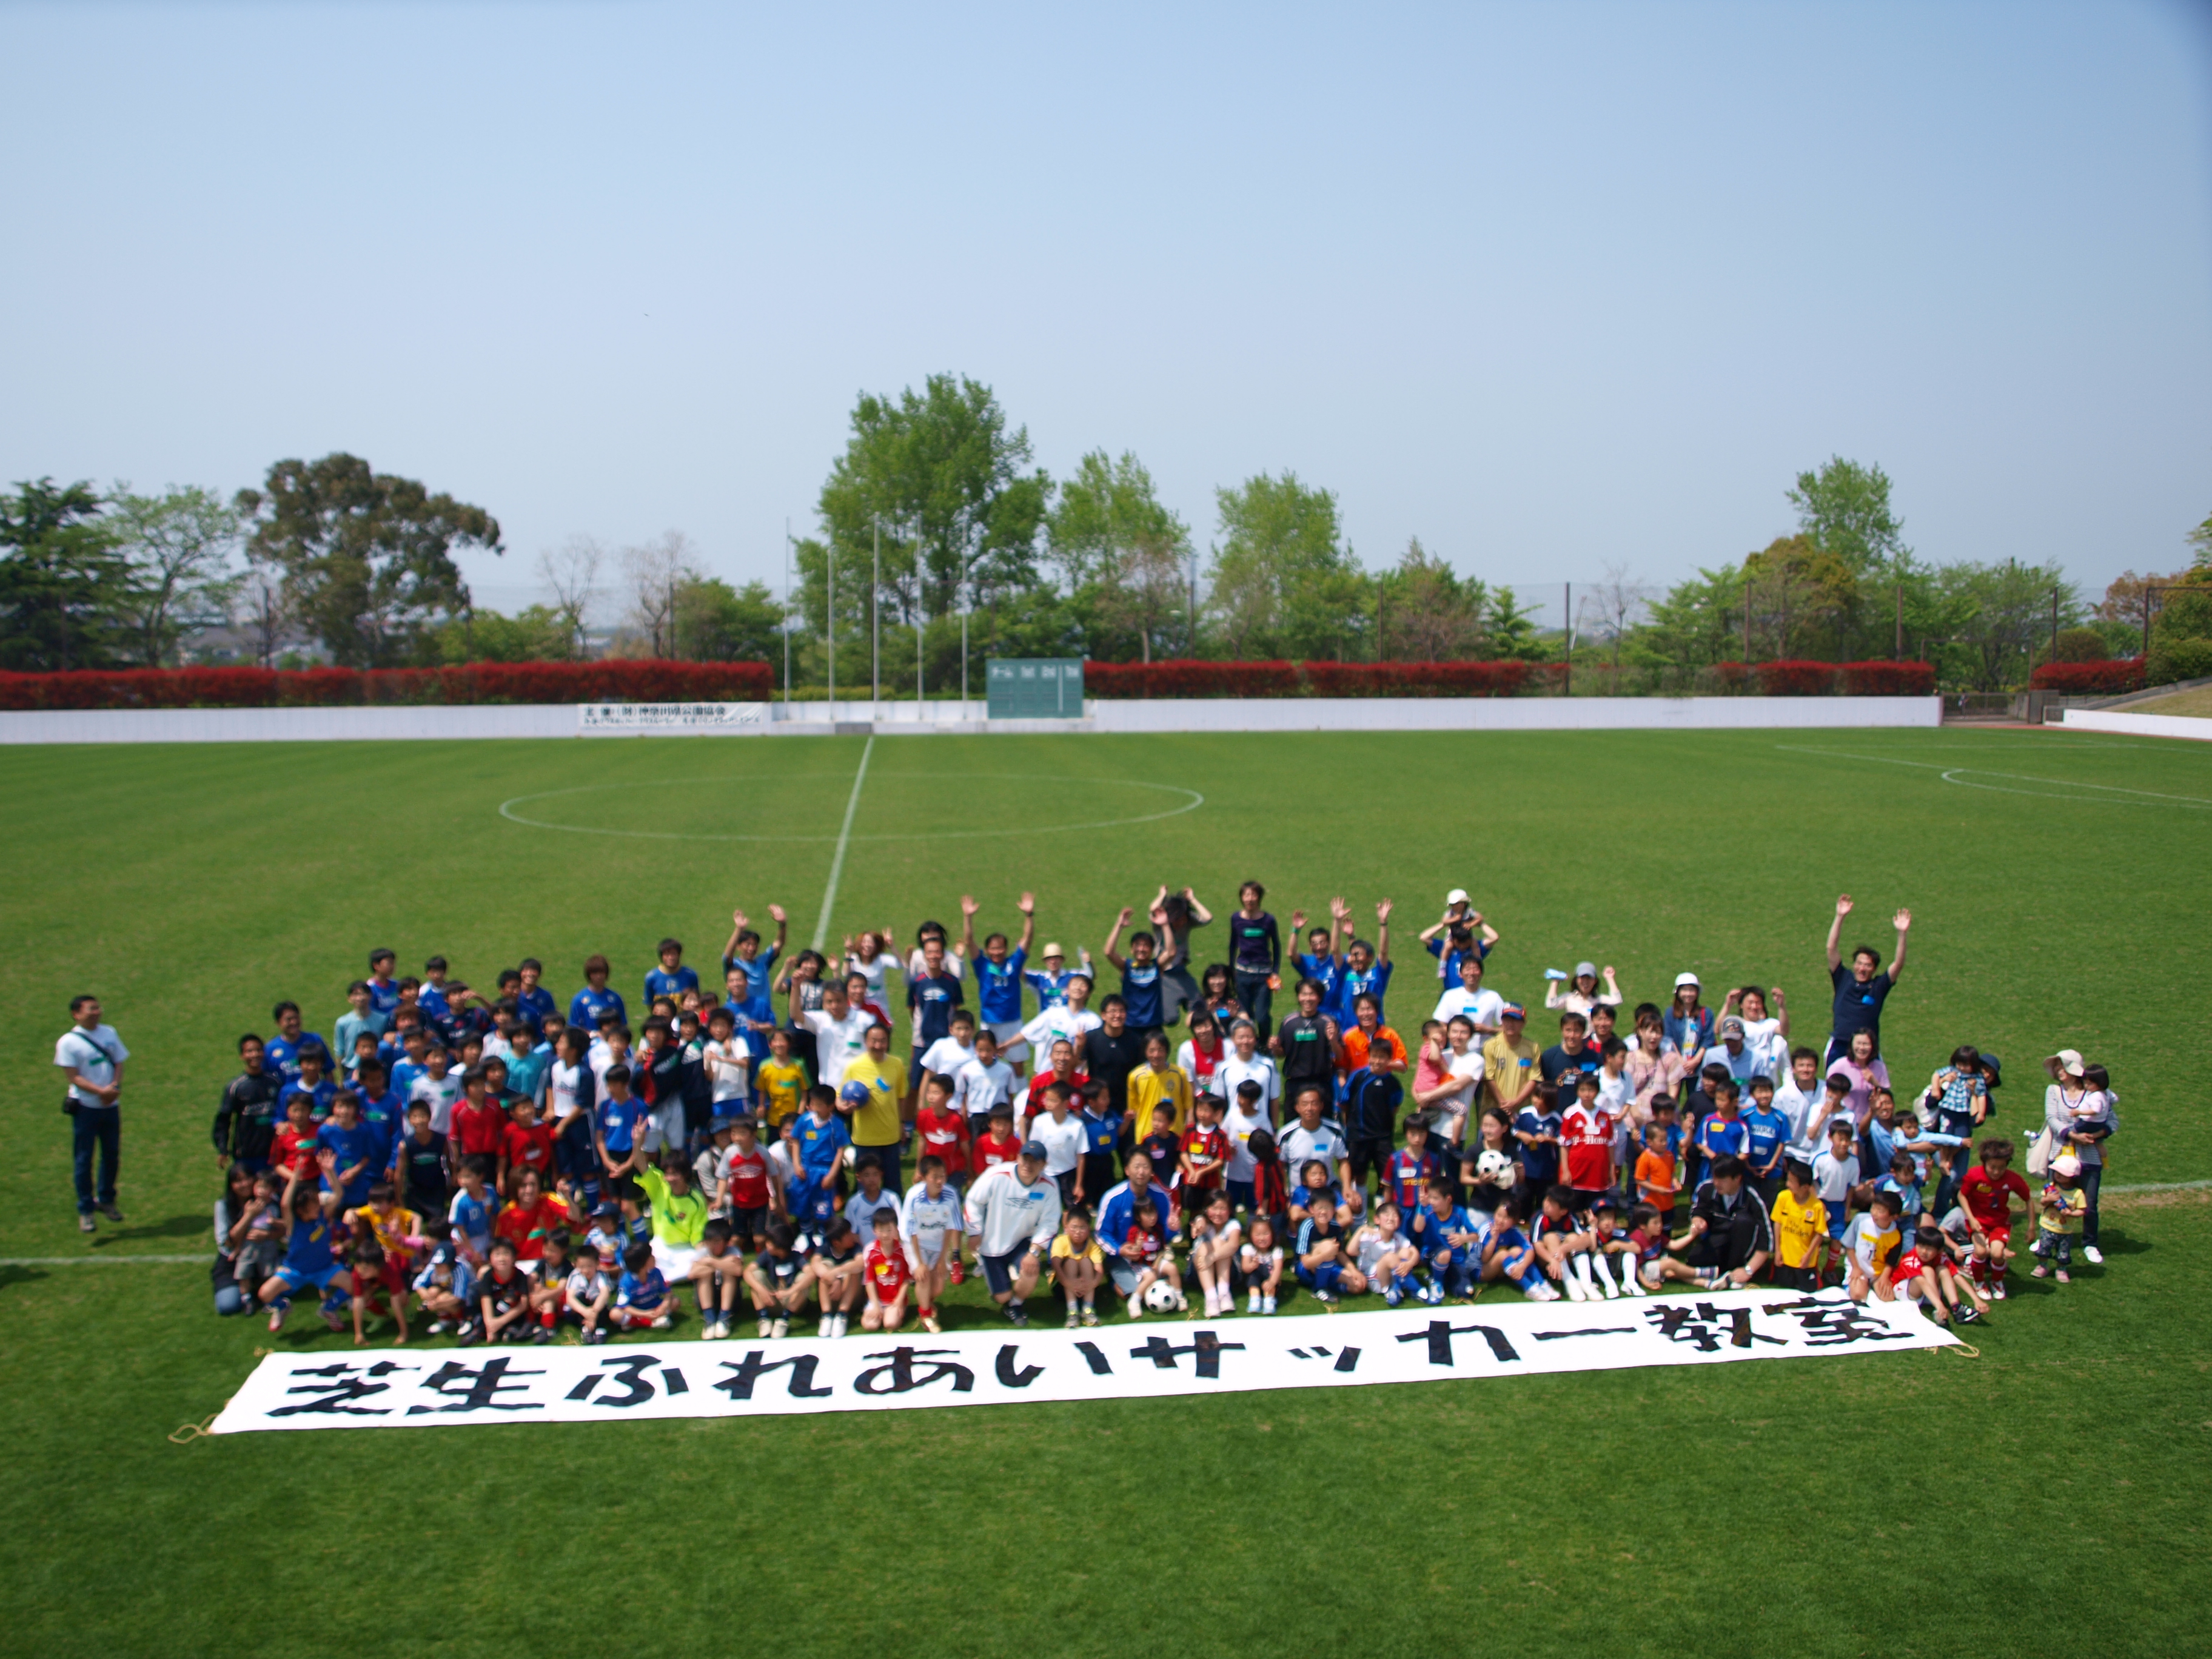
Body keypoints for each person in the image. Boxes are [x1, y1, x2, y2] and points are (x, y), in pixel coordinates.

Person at [963, 1141, 1061, 1328]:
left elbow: (1050, 1223)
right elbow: (973, 1200)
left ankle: (1016, 1304)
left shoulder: (1049, 1186)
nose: (1028, 1165)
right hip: (992, 1243)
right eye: (1025, 1159)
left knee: (1031, 1272)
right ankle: (1002, 1289)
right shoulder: (997, 1175)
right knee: (1002, 1297)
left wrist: (1034, 1252)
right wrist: (975, 1231)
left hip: (1022, 1241)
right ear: (1018, 1158)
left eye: (1035, 1162)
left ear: (1044, 1165)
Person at [56, 994, 129, 1232]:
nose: (97, 1012)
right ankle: (86, 1209)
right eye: (91, 1009)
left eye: (98, 1007)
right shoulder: (68, 1042)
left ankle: (107, 1200)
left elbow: (119, 1061)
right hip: (86, 1107)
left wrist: (115, 1088)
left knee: (111, 1155)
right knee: (83, 1159)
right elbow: (73, 1077)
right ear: (76, 1014)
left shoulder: (109, 1032)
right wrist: (101, 1091)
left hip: (110, 1106)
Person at [2042, 1050, 2113, 1265]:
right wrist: (2073, 1135)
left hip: (2089, 1156)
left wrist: (2096, 1135)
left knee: (2089, 1202)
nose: (2058, 1071)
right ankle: (2047, 1238)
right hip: (2060, 1156)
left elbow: (2112, 1122)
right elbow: (2051, 1118)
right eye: (2056, 1066)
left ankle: (2090, 1243)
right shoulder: (2054, 1090)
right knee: (2054, 1197)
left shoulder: (2096, 1093)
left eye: (2062, 1066)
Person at [1823, 893, 1911, 1064]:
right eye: (1859, 964)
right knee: (1835, 1088)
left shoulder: (1878, 986)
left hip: (1867, 1047)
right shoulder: (1843, 978)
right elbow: (1831, 948)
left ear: (1874, 969)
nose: (1862, 968)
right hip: (1841, 1043)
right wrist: (1840, 917)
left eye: (1868, 965)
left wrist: (1902, 934)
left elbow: (1899, 964)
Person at [1227, 880, 1283, 1037]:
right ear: (1241, 898)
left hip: (1263, 975)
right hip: (1243, 974)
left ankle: (1264, 1045)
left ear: (1259, 897)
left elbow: (1276, 946)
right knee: (1246, 1017)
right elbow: (1232, 946)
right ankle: (1250, 1047)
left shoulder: (1268, 920)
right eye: (1246, 895)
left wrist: (1275, 972)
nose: (1250, 899)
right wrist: (1231, 972)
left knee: (1262, 1016)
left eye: (1253, 895)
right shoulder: (1236, 919)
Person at [2032, 1154, 2090, 1285]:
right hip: (2048, 1225)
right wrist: (2048, 1199)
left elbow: (2082, 1210)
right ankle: (2042, 1266)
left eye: (2062, 1174)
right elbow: (2042, 1202)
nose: (2058, 1176)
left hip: (2065, 1230)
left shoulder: (2078, 1193)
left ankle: (2061, 1269)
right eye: (2056, 1172)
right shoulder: (2052, 1187)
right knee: (2044, 1248)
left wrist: (2071, 1213)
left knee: (2063, 1252)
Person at [1841, 1189, 1905, 1303]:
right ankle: (1853, 1285)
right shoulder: (1861, 1220)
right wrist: (1856, 1267)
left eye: (1880, 1211)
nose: (1874, 1213)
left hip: (1878, 1273)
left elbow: (1891, 1261)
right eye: (1874, 1207)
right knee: (1858, 1296)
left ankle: (1870, 1285)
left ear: (1893, 1217)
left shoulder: (1896, 1234)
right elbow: (1849, 1246)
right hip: (1858, 1267)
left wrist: (1884, 1278)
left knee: (1888, 1299)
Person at [1049, 1207, 1107, 1327]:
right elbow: (1056, 1264)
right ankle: (1072, 1311)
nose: (1078, 1232)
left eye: (1082, 1228)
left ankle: (1088, 1309)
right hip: (1062, 1285)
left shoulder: (1093, 1246)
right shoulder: (1060, 1241)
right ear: (1066, 1228)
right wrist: (1069, 1283)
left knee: (1086, 1261)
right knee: (1071, 1262)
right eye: (1074, 1227)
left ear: (1089, 1229)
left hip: (1086, 1286)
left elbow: (1099, 1269)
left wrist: (1092, 1284)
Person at [1236, 1215, 1286, 1313]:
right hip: (1255, 1277)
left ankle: (1269, 1299)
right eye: (1257, 1235)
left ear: (1272, 1234)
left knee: (1268, 1270)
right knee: (1253, 1275)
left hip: (1271, 1278)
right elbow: (1245, 1267)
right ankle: (1255, 1298)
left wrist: (1272, 1282)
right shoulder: (1248, 1249)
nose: (1262, 1238)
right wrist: (1252, 1265)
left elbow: (1278, 1269)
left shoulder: (1276, 1251)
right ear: (1251, 1235)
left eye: (1266, 1234)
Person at [1544, 962, 1622, 1017]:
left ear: (1595, 981)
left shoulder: (1599, 1000)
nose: (1585, 982)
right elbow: (1551, 1004)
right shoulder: (1569, 997)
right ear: (1577, 980)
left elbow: (1617, 1001)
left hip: (1591, 1040)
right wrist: (1555, 981)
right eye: (1582, 978)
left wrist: (1610, 978)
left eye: (1589, 978)